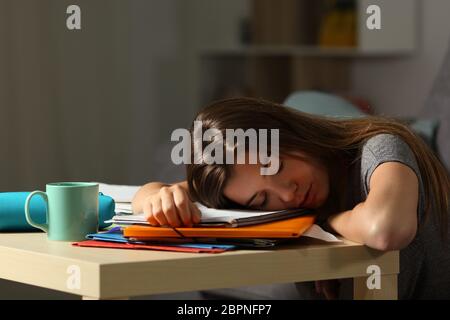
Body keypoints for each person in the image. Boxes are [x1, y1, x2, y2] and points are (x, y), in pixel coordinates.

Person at [132, 97, 450, 299]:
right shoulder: (282, 203)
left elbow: (386, 229)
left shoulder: (380, 149)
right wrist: (155, 195)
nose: (287, 194)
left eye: (278, 165)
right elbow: (154, 195)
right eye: (260, 201)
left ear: (288, 132)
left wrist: (326, 224)